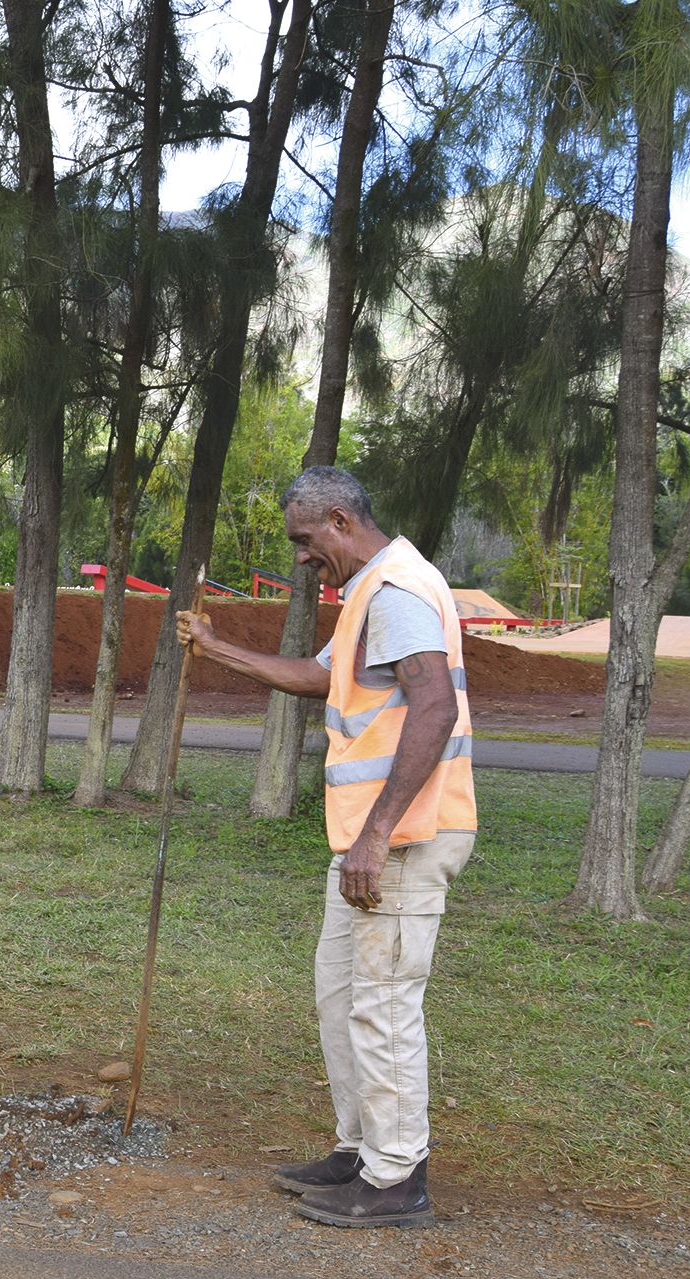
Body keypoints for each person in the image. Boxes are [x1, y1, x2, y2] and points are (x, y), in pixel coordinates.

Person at [175, 465, 475, 1229]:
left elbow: (432, 706)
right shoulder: (367, 591)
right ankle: (359, 1148)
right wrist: (215, 650)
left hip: (401, 836)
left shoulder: (399, 589)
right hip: (368, 839)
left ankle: (397, 1174)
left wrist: (376, 832)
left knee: (382, 1003)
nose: (302, 558)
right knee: (340, 992)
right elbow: (320, 678)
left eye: (305, 541)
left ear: (339, 521)